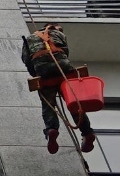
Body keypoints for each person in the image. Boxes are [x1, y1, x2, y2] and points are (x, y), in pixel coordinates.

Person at [21, 22, 94, 155]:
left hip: (43, 69)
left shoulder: (30, 38)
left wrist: (36, 73)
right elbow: (65, 51)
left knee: (48, 104)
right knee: (74, 103)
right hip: (62, 66)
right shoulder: (59, 33)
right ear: (53, 26)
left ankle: (51, 129)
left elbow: (26, 59)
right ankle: (87, 132)